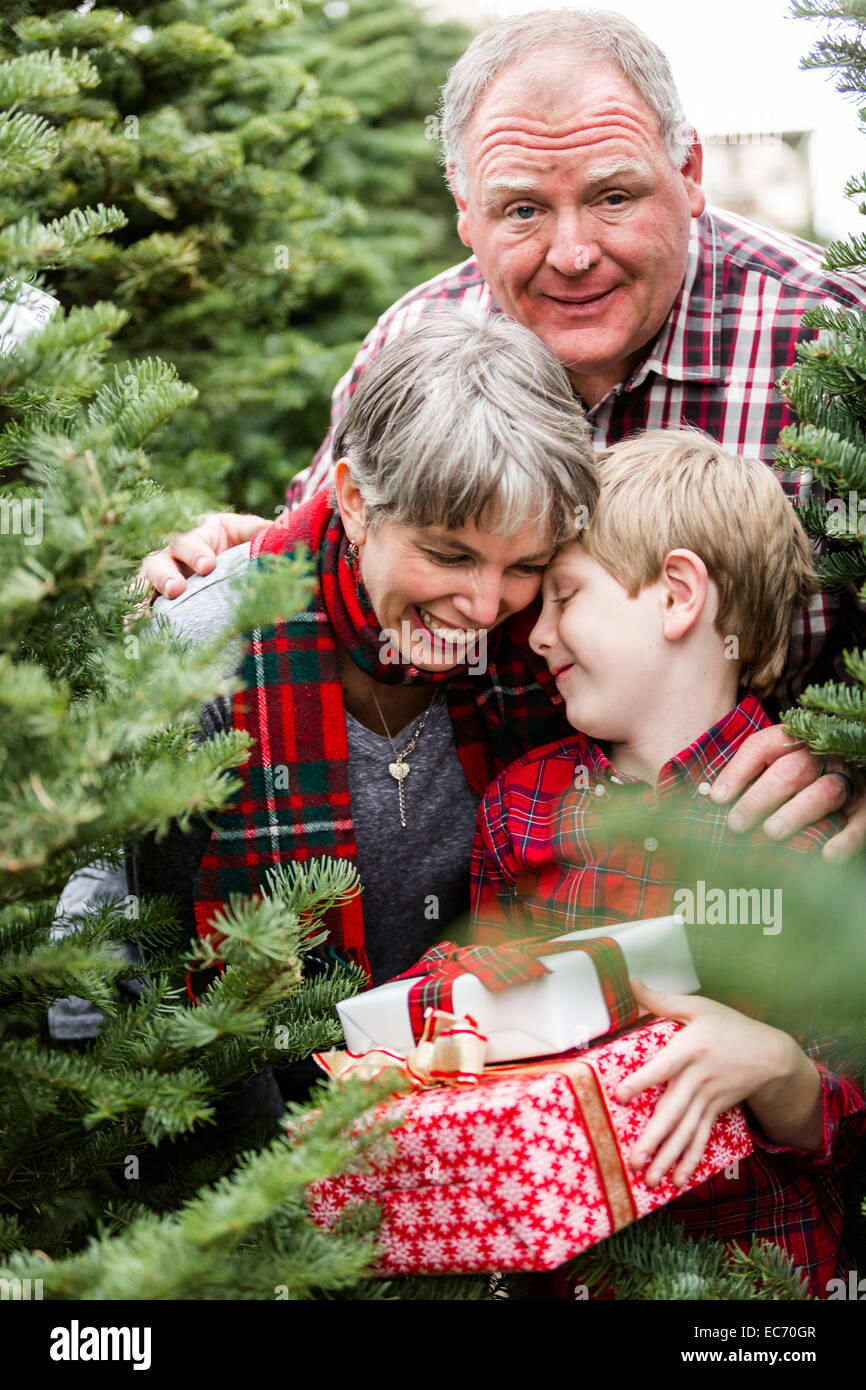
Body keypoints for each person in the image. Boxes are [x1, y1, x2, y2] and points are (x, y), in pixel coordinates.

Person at [140, 7, 866, 859]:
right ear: (464, 210)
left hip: (775, 882)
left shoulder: (829, 342)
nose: (571, 252)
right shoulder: (413, 346)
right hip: (514, 880)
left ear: (691, 170)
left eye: (614, 196)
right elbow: (346, 573)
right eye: (521, 209)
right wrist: (221, 565)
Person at [51, 311, 596, 1055]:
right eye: (447, 555)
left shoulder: (546, 650)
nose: (484, 605)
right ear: (354, 502)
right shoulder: (207, 657)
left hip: (484, 1092)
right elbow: (152, 965)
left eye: (524, 566)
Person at [469, 428, 866, 1295]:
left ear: (678, 594)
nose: (535, 636)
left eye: (564, 596)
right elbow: (480, 1022)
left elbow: (851, 1111)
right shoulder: (521, 808)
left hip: (761, 1287)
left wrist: (774, 1065)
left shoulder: (817, 829)